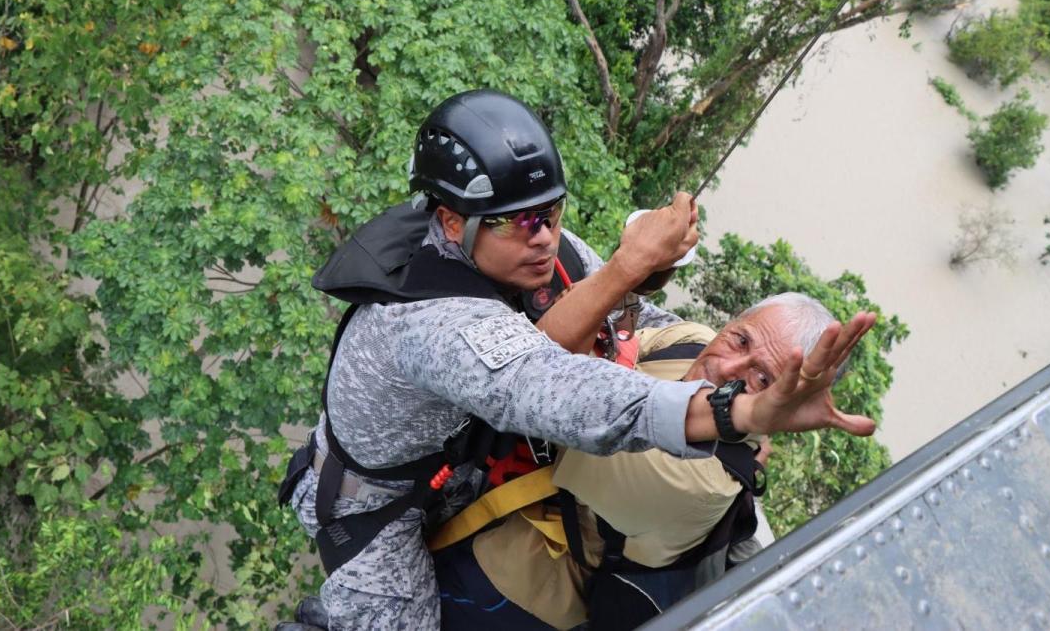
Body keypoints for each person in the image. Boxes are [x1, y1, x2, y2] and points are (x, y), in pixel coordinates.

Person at [278, 89, 876, 630]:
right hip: (377, 506)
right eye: (516, 222)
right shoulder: (427, 324)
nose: (542, 235)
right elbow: (551, 387)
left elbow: (623, 319)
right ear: (451, 222)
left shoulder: (541, 253)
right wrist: (732, 416)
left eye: (551, 211)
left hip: (457, 466)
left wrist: (663, 296)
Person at [431, 293, 836, 630]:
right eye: (741, 340)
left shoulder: (700, 483)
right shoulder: (694, 340)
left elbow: (557, 404)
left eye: (762, 381)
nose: (724, 369)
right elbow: (608, 343)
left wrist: (627, 270)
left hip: (512, 589)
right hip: (488, 498)